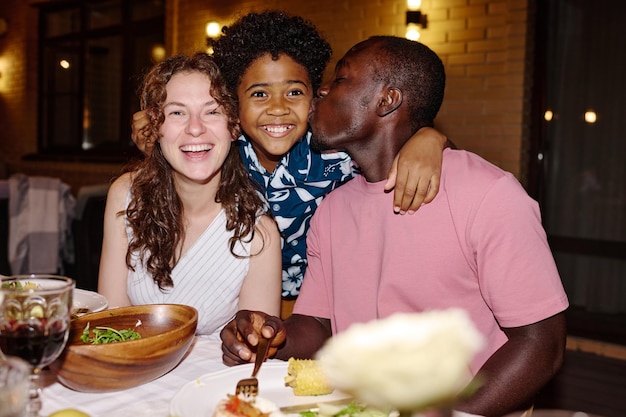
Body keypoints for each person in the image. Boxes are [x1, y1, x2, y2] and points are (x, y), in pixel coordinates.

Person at [220, 36, 569, 417]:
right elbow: (317, 325)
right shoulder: (333, 209)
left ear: (386, 100)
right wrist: (269, 336)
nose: (322, 89)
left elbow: (541, 344)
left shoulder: (488, 194)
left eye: (341, 79)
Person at [131, 11, 449, 308]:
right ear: (233, 106)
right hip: (235, 307)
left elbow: (399, 147)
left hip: (327, 310)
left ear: (314, 98)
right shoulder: (220, 154)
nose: (279, 107)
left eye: (294, 92)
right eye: (259, 94)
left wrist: (429, 137)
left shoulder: (336, 152)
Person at [98, 53, 282, 336]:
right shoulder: (126, 196)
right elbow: (112, 327)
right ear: (156, 126)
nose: (195, 128)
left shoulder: (259, 236)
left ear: (233, 126)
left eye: (211, 111)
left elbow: (253, 359)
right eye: (177, 112)